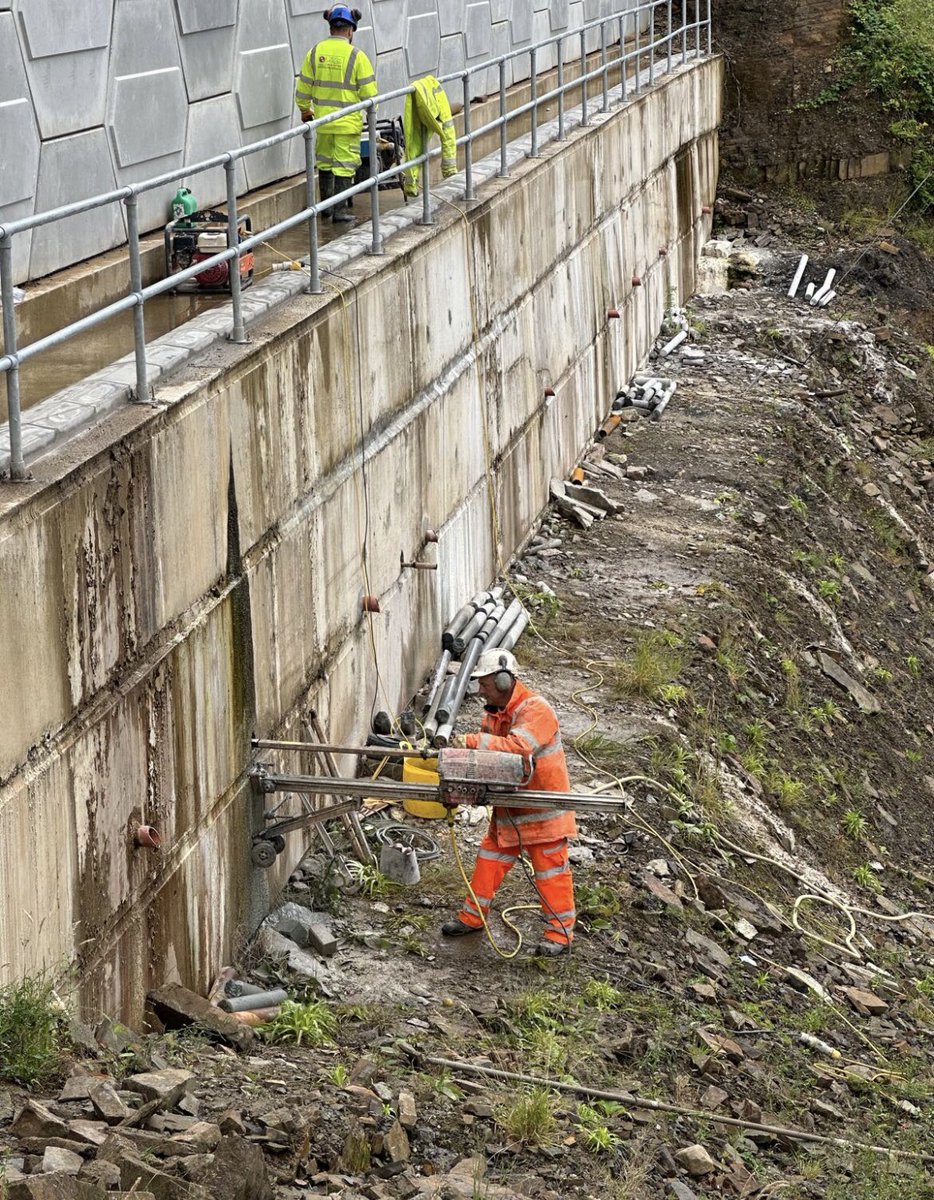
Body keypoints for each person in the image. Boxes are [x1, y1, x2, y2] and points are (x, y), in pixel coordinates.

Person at [441, 650, 577, 956]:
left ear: (504, 680)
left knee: (550, 872)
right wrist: (458, 789)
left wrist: (471, 741)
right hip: (511, 809)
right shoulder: (493, 715)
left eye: (485, 683)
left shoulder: (536, 710)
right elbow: (483, 764)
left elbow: (517, 750)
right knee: (489, 859)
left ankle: (560, 934)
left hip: (543, 811)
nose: (481, 690)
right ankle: (472, 917)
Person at [295, 7, 378, 223]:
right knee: (343, 164)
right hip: (347, 124)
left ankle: (326, 208)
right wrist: (371, 116)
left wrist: (305, 110)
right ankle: (340, 211)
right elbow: (370, 94)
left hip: (322, 122)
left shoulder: (314, 52)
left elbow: (303, 87)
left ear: (331, 27)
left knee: (324, 163)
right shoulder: (357, 56)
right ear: (351, 30)